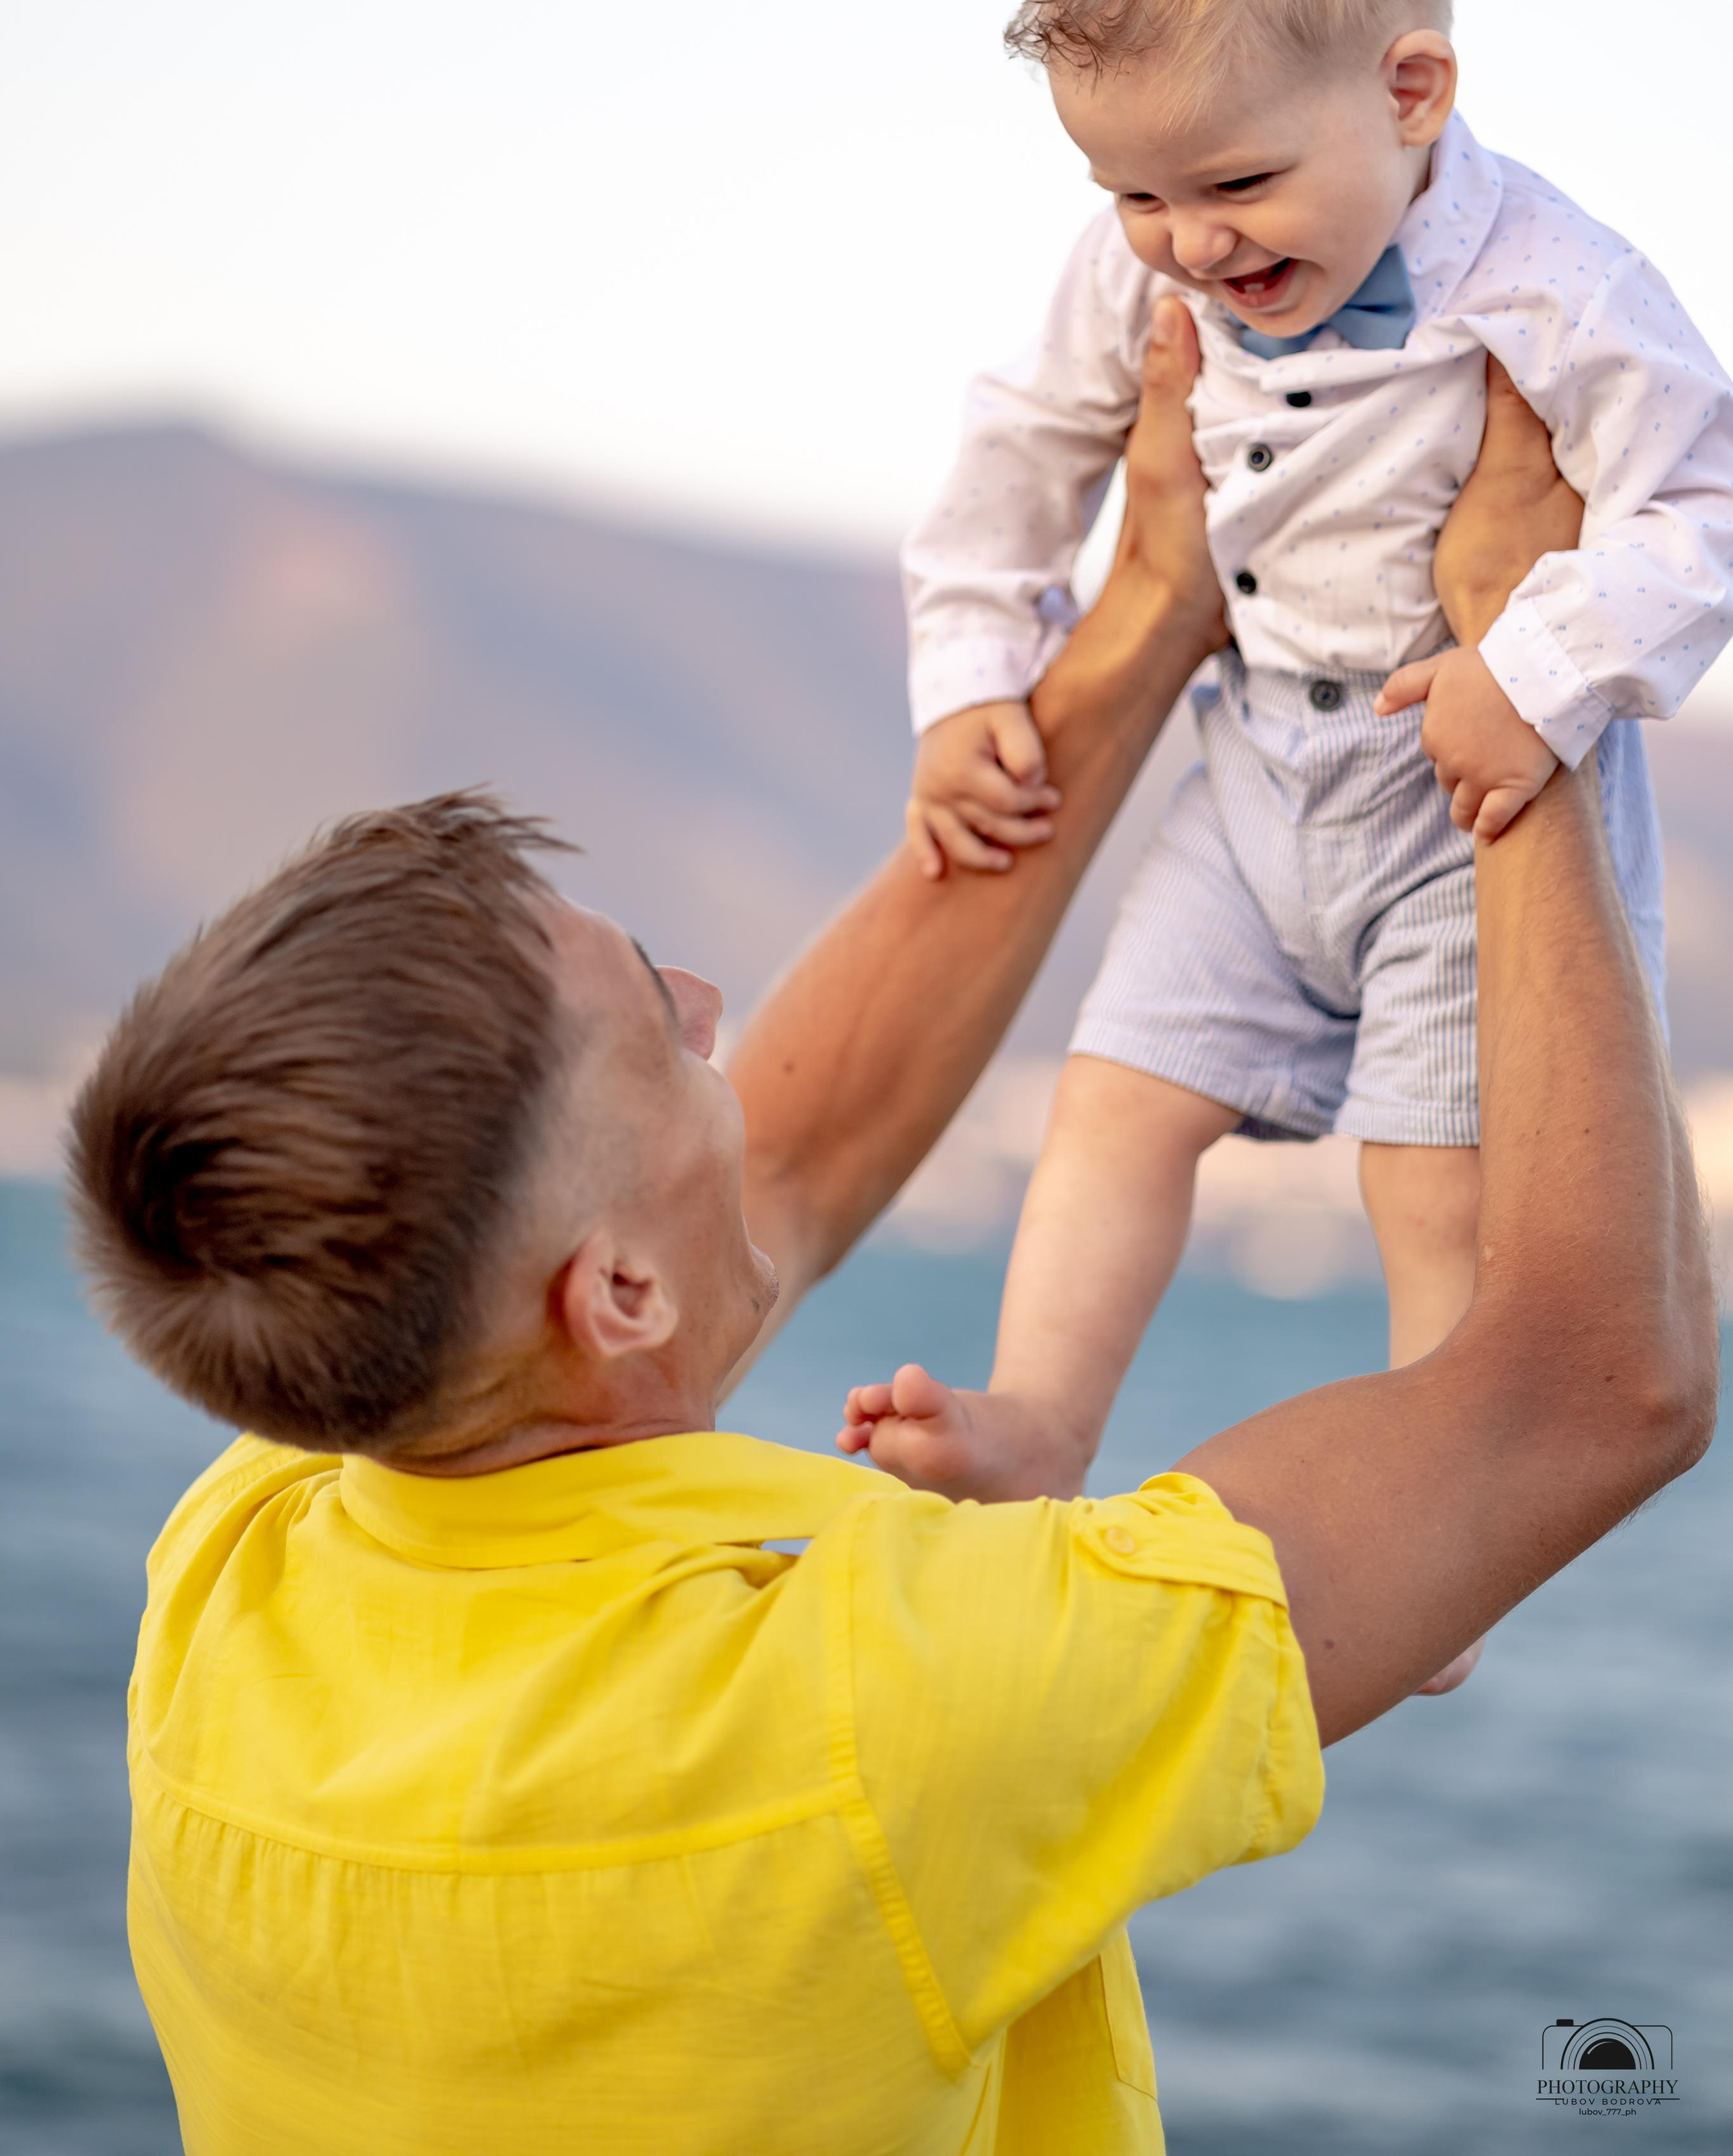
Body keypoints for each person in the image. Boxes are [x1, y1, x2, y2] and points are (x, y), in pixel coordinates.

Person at [71, 338, 1714, 2156]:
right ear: (612, 1296)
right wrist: (1522, 705)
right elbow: (1590, 1387)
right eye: (660, 1019)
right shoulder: (881, 1710)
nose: (720, 1009)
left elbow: (797, 1152)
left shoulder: (240, 1572)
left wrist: (1158, 604)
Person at [889, 0, 1733, 1544]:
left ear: (1412, 90)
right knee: (1117, 1097)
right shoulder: (1142, 263)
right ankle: (1040, 1416)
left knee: (1433, 1186)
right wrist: (969, 680)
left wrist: (1540, 672)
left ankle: (1444, 1518)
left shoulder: (1555, 282)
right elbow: (1015, 453)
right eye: (1133, 193)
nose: (1185, 245)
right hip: (1256, 762)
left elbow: (1699, 506)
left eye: (1237, 186)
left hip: (1458, 794)